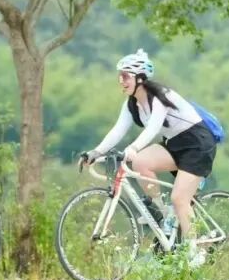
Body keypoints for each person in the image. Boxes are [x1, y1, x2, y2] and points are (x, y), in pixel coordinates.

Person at [82, 49, 218, 267]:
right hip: (174, 144)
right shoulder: (131, 104)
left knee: (179, 199)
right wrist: (96, 152)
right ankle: (163, 216)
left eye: (125, 76)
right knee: (140, 162)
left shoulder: (161, 97)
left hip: (198, 144)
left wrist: (134, 147)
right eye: (120, 76)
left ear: (140, 78)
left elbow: (153, 128)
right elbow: (118, 130)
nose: (121, 81)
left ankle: (195, 252)